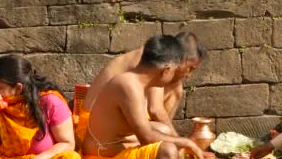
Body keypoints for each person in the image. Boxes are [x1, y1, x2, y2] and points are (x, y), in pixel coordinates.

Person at [75, 32, 205, 145]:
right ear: (182, 59)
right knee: (163, 133)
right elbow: (155, 110)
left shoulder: (166, 71)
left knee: (176, 89)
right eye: (190, 68)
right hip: (93, 130)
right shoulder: (156, 61)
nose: (188, 75)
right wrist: (181, 144)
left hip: (115, 127)